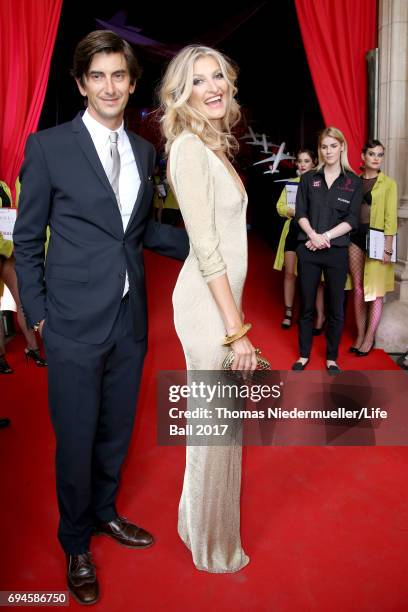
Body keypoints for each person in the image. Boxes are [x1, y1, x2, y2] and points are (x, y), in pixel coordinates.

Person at [14, 31, 160, 605]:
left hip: (130, 318)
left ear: (131, 82)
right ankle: (75, 542)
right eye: (97, 76)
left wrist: (208, 242)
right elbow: (26, 241)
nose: (109, 86)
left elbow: (137, 232)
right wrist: (41, 316)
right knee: (75, 438)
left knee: (116, 431)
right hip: (71, 321)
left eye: (118, 76)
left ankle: (104, 514)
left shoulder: (145, 152)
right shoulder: (48, 146)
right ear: (80, 84)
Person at [159, 45, 255, 572]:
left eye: (218, 75)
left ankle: (194, 523)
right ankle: (213, 549)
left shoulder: (213, 144)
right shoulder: (188, 149)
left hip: (220, 304)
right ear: (183, 93)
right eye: (198, 81)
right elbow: (207, 247)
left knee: (214, 428)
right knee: (217, 432)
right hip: (207, 308)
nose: (213, 86)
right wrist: (234, 329)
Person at [293, 127, 362, 372]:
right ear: (320, 150)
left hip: (336, 250)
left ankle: (332, 357)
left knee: (336, 306)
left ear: (342, 147)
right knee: (307, 305)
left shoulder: (353, 181)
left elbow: (352, 219)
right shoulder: (308, 178)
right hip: (308, 249)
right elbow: (300, 212)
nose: (329, 151)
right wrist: (312, 235)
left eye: (333, 146)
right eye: (324, 146)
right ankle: (303, 354)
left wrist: (325, 237)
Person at [348, 140, 398, 356]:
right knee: (358, 288)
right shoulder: (353, 182)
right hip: (355, 236)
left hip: (377, 239)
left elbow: (391, 218)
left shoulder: (388, 184)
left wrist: (388, 247)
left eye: (380, 155)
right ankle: (360, 334)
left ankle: (369, 338)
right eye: (372, 154)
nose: (376, 158)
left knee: (375, 292)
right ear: (363, 157)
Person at [273, 150, 325, 332]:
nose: (302, 164)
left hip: (312, 234)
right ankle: (288, 312)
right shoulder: (292, 184)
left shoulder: (320, 184)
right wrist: (294, 212)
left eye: (306, 161)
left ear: (314, 163)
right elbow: (280, 207)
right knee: (289, 273)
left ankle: (320, 315)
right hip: (293, 232)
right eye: (300, 161)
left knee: (316, 278)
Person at [1, 188, 46, 373]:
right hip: (4, 247)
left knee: (22, 300)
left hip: (7, 250)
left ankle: (32, 348)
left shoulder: (3, 185)